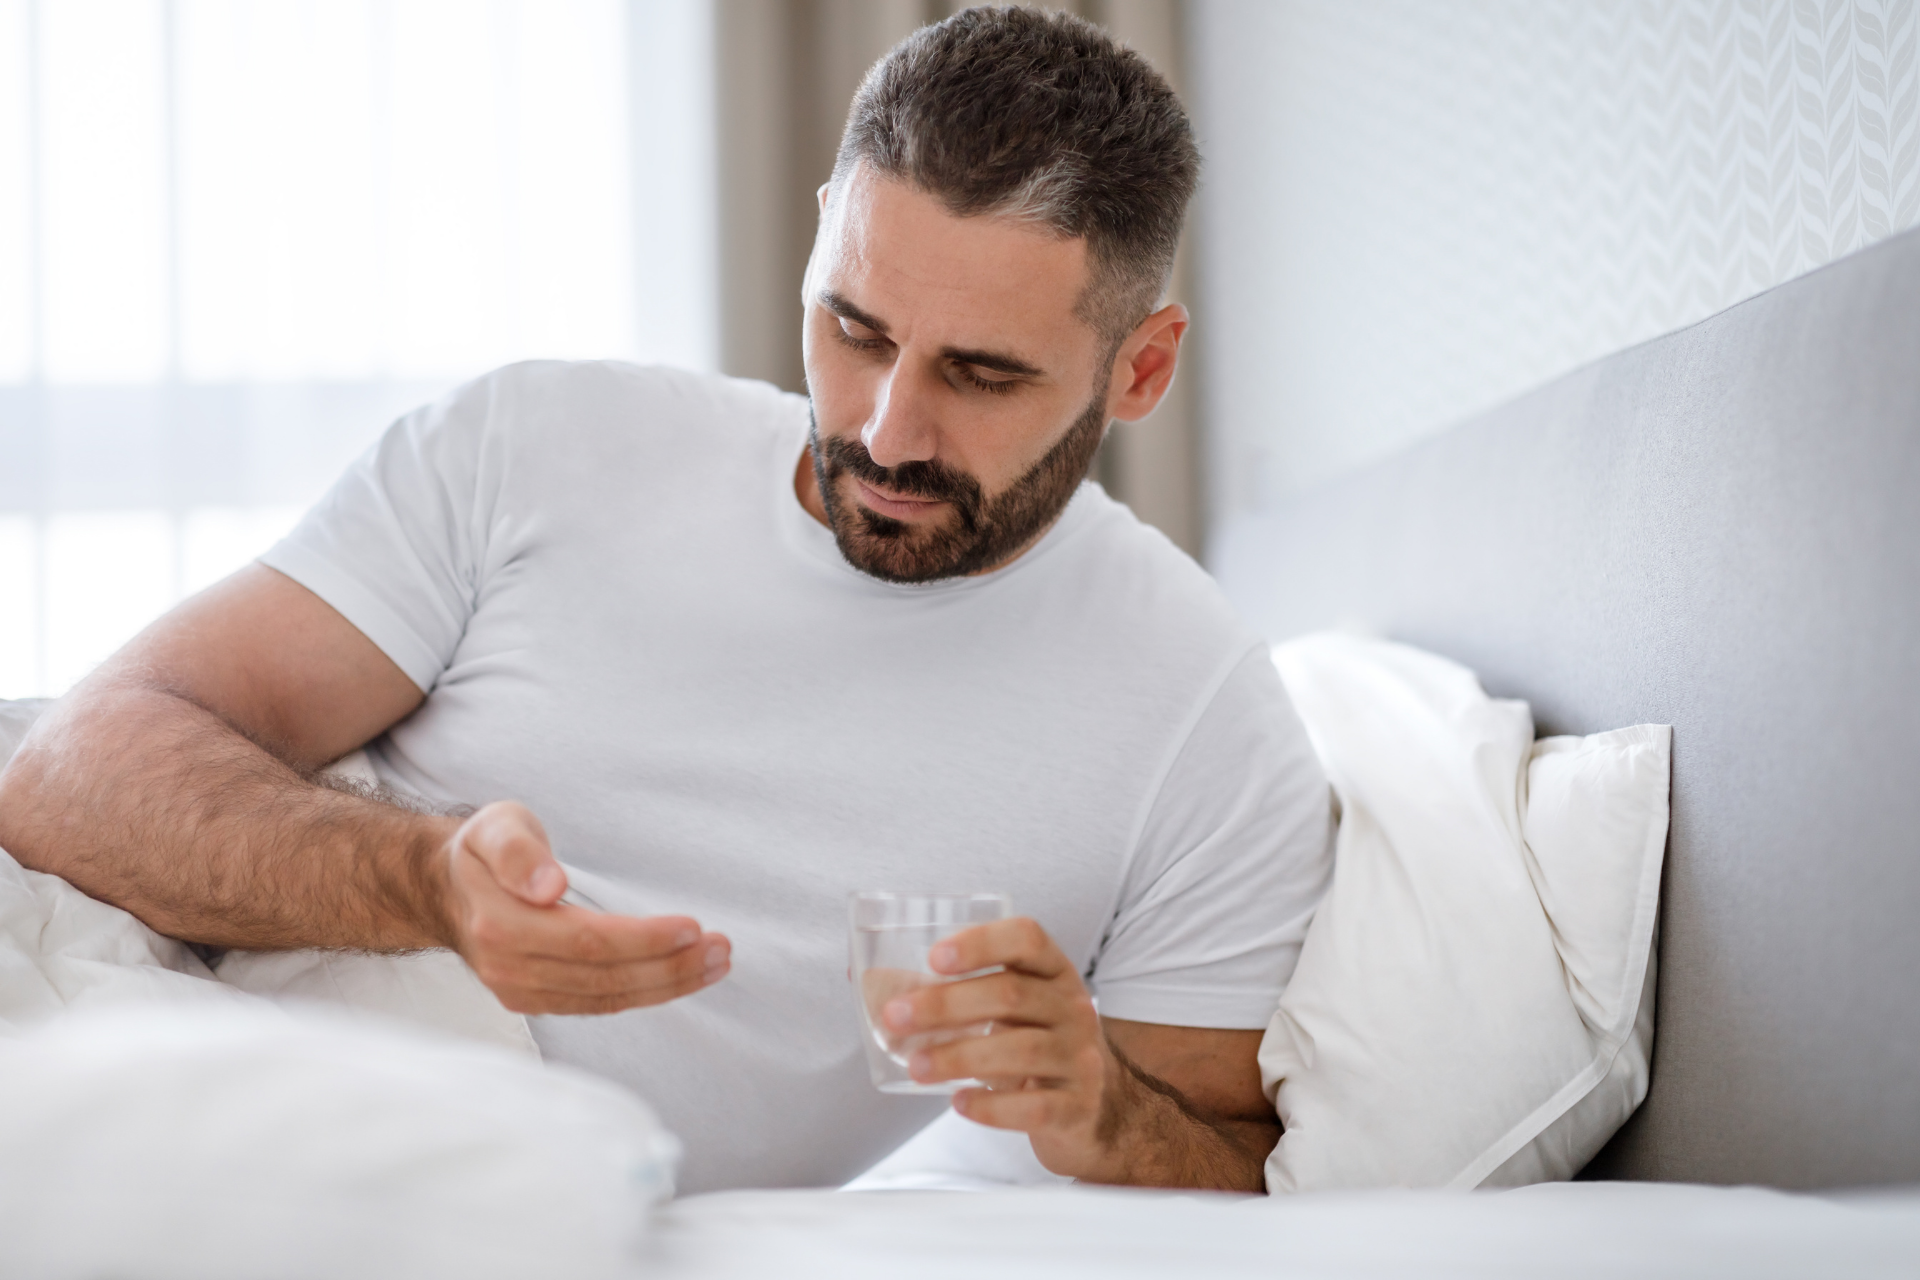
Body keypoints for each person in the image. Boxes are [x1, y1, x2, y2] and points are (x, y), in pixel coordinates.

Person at [0, 7, 1330, 1194]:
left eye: (982, 376)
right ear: (821, 237)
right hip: (126, 1006)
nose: (886, 428)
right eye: (854, 329)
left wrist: (1101, 1108)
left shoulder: (1202, 725)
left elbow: (1228, 1163)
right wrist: (423, 883)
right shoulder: (542, 443)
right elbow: (65, 774)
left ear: (1142, 370)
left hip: (452, 1174)